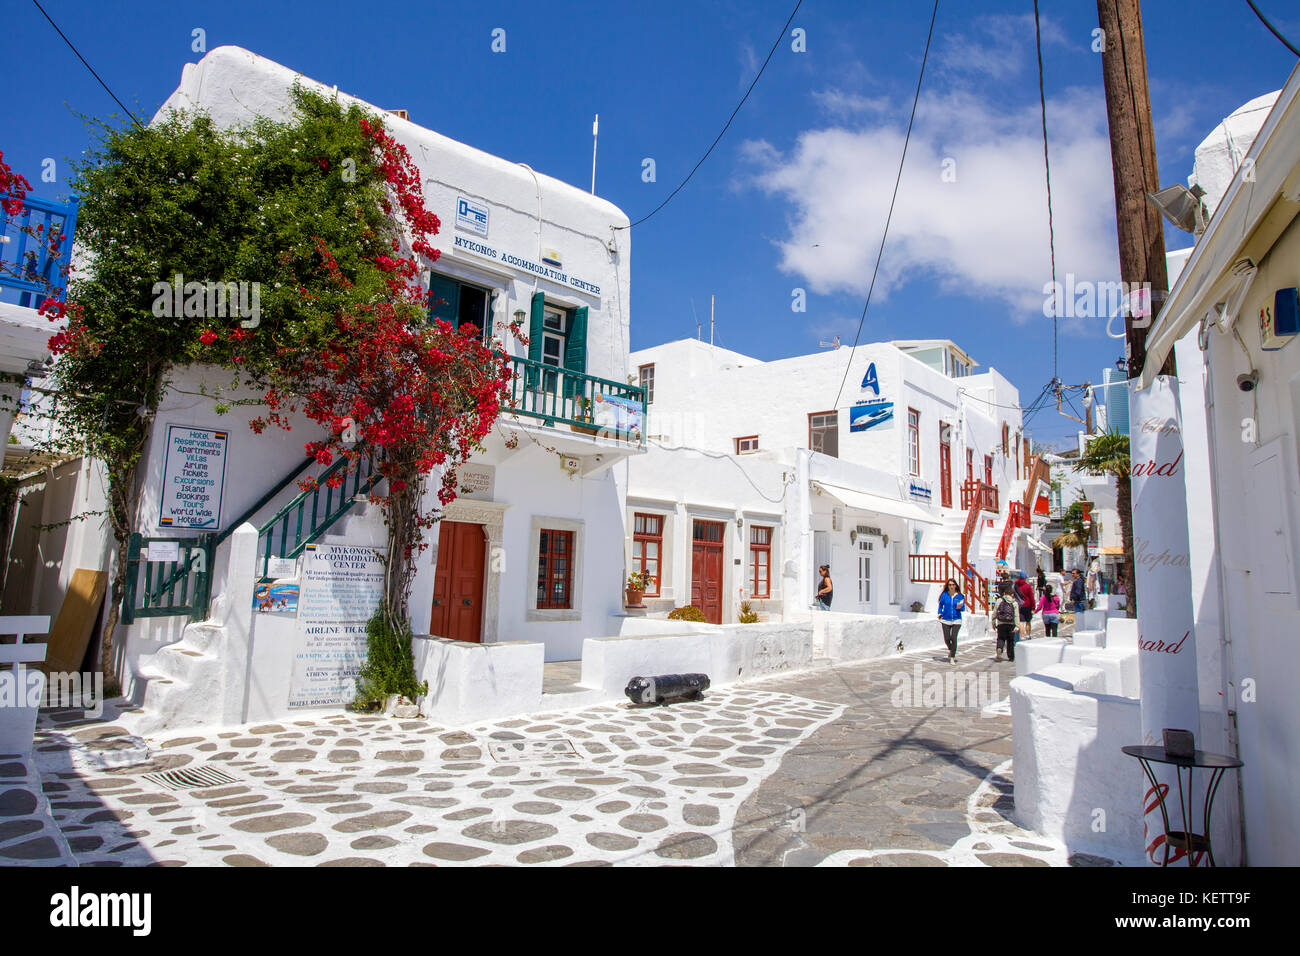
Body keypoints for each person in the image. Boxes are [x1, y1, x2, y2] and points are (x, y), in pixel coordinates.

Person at [937, 578, 965, 664]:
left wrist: (960, 607)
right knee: (947, 639)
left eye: (953, 585)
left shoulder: (959, 596)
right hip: (945, 619)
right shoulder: (945, 595)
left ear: (955, 586)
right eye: (950, 585)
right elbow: (940, 605)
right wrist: (939, 613)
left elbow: (963, 608)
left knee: (953, 637)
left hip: (956, 619)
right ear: (947, 586)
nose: (951, 586)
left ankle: (952, 656)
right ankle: (951, 649)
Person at [993, 584, 1019, 663]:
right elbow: (1016, 615)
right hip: (1011, 624)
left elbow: (994, 612)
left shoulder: (999, 601)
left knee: (1001, 638)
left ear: (1004, 593)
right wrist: (1017, 626)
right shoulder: (1014, 603)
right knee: (1010, 640)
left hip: (1001, 623)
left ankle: (999, 648)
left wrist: (993, 622)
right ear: (1012, 594)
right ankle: (1011, 656)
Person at [1014, 571, 1036, 639]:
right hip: (1027, 605)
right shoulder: (1028, 586)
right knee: (1028, 621)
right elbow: (1031, 597)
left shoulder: (1015, 585)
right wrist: (1033, 607)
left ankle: (1022, 636)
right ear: (1024, 578)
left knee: (1021, 621)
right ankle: (1028, 635)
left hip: (1019, 606)